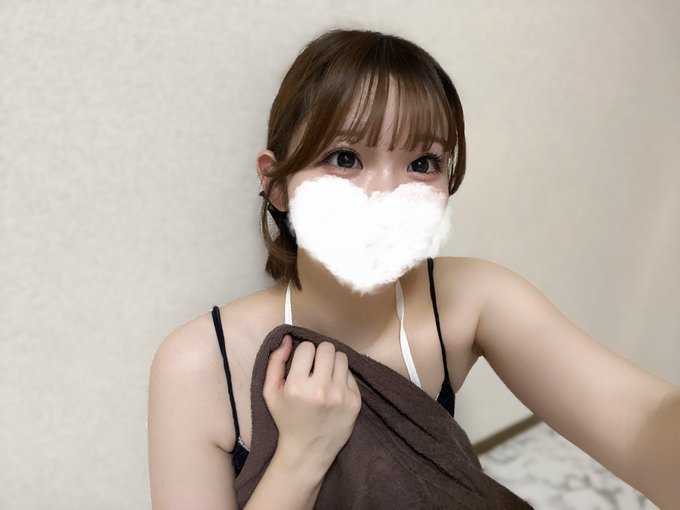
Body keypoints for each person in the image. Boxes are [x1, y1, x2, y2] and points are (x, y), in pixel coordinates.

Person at [147, 29, 680, 509]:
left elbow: (640, 418)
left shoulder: (474, 299)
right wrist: (302, 456)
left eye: (422, 164)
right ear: (276, 184)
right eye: (345, 158)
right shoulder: (197, 364)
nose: (386, 195)